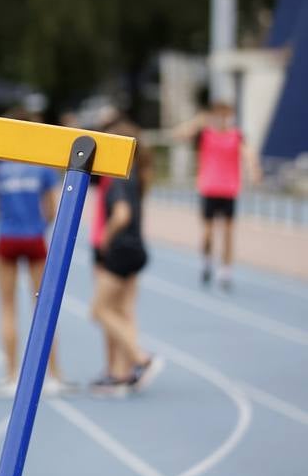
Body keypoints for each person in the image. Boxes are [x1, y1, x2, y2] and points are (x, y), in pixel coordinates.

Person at [0, 131, 72, 397]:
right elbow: (51, 209)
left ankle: (12, 374)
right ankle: (54, 375)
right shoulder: (41, 167)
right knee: (43, 307)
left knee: (7, 307)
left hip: (7, 239)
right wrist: (39, 226)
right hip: (34, 238)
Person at [90, 117, 164, 396]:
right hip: (135, 249)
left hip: (118, 250)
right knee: (123, 311)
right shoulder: (136, 173)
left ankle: (140, 358)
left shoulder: (119, 177)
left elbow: (122, 215)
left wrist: (106, 240)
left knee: (99, 310)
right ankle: (121, 373)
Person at [173, 101, 262, 290]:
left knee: (228, 233)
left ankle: (226, 271)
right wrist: (199, 120)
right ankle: (206, 262)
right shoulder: (205, 134)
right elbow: (179, 135)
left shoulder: (236, 135)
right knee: (208, 233)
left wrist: (254, 169)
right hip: (209, 188)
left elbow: (248, 153)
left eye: (227, 115)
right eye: (220, 115)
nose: (223, 119)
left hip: (229, 190)